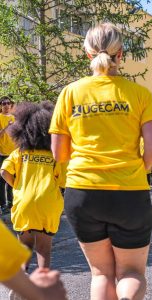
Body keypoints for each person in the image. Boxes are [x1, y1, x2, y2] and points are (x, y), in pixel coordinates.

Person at [49, 23, 152, 300]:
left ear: (87, 54)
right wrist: (139, 169)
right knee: (131, 273)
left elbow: (59, 154)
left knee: (101, 274)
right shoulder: (139, 94)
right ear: (121, 53)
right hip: (129, 193)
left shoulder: (70, 93)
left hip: (82, 193)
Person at [1, 102, 65, 271]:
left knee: (25, 246)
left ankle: (22, 283)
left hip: (24, 202)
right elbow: (63, 180)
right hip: (48, 201)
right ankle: (43, 286)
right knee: (43, 248)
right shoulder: (55, 155)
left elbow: (3, 172)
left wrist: (17, 187)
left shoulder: (19, 153)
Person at [0, 219, 67, 300]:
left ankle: (22, 281)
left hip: (23, 210)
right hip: (48, 210)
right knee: (43, 249)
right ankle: (43, 283)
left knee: (25, 245)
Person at [0, 96, 15, 214]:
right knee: (2, 180)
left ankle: (10, 203)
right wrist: (7, 127)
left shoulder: (15, 118)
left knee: (12, 179)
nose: (6, 105)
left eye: (8, 103)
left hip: (13, 154)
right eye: (3, 103)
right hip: (2, 153)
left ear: (11, 105)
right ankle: (2, 205)